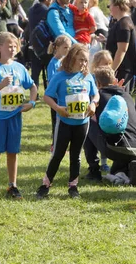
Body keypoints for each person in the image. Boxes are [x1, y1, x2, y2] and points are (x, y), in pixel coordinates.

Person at [36, 44, 98, 199]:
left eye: (86, 60)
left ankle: (73, 186)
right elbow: (47, 96)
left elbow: (95, 95)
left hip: (82, 123)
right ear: (71, 58)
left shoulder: (87, 76)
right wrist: (58, 108)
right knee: (58, 153)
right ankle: (45, 185)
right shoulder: (60, 76)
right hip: (64, 122)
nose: (83, 63)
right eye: (80, 60)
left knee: (76, 155)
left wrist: (93, 104)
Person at [0, 32, 37, 199]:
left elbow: (33, 86)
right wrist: (1, 85)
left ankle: (12, 185)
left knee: (13, 152)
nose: (12, 49)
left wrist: (31, 103)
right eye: (9, 46)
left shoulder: (20, 68)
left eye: (15, 46)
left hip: (15, 117)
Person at [105, 0, 136, 92]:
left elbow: (122, 50)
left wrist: (112, 70)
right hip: (121, 68)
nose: (109, 9)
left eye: (110, 6)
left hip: (122, 69)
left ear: (117, 7)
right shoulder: (121, 23)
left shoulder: (124, 24)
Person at [27, 0, 55, 89]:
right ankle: (50, 91)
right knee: (49, 70)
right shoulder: (47, 11)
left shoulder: (31, 10)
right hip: (45, 45)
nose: (52, 1)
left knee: (35, 72)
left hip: (32, 44)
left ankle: (34, 93)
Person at [46, 36, 72, 137]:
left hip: (65, 96)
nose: (68, 50)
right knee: (56, 121)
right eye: (65, 47)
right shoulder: (53, 63)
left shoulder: (67, 61)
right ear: (57, 47)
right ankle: (55, 143)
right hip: (55, 98)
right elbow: (51, 82)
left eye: (69, 47)